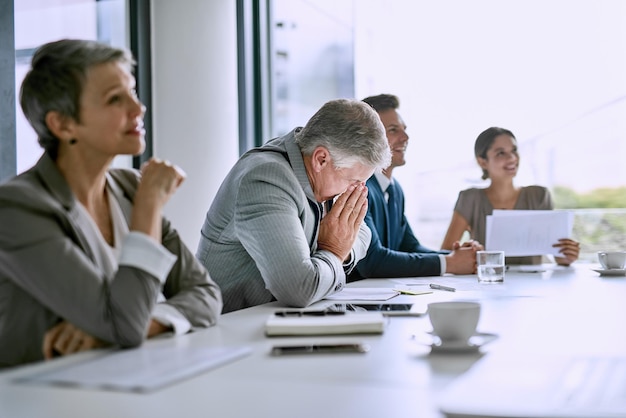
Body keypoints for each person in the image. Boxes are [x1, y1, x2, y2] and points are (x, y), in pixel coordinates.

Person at [0, 39, 222, 368]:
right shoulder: (17, 209)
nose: (138, 109)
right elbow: (124, 323)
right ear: (63, 124)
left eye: (132, 92)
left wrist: (142, 324)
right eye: (115, 99)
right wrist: (148, 209)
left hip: (107, 381)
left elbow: (206, 294)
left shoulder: (129, 187)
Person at [196, 99, 392, 313]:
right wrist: (334, 251)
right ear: (321, 159)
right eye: (353, 180)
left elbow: (363, 232)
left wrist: (338, 250)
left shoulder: (326, 177)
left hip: (273, 323)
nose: (357, 188)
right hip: (226, 332)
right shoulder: (266, 178)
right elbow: (300, 289)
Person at [352, 94, 481, 280]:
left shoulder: (395, 191)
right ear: (366, 139)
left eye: (404, 129)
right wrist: (450, 263)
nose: (405, 137)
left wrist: (464, 258)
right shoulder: (358, 188)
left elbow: (410, 248)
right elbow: (373, 260)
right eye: (393, 130)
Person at [441, 126, 580, 265]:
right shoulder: (470, 198)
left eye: (514, 150)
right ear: (482, 161)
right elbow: (446, 252)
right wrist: (464, 253)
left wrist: (567, 255)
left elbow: (558, 255)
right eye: (501, 153)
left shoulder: (539, 196)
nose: (512, 158)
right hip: (487, 283)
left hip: (533, 284)